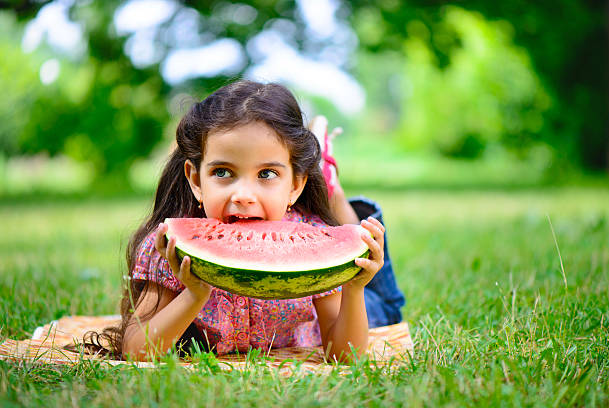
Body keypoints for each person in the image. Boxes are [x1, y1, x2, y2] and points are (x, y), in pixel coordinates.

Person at [104, 80, 404, 362]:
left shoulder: (313, 237)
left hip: (357, 304)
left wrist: (354, 287)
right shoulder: (169, 248)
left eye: (266, 174)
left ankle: (329, 183)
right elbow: (136, 351)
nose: (244, 195)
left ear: (296, 186)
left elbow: (343, 355)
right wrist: (195, 293)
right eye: (222, 172)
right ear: (196, 180)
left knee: (384, 309)